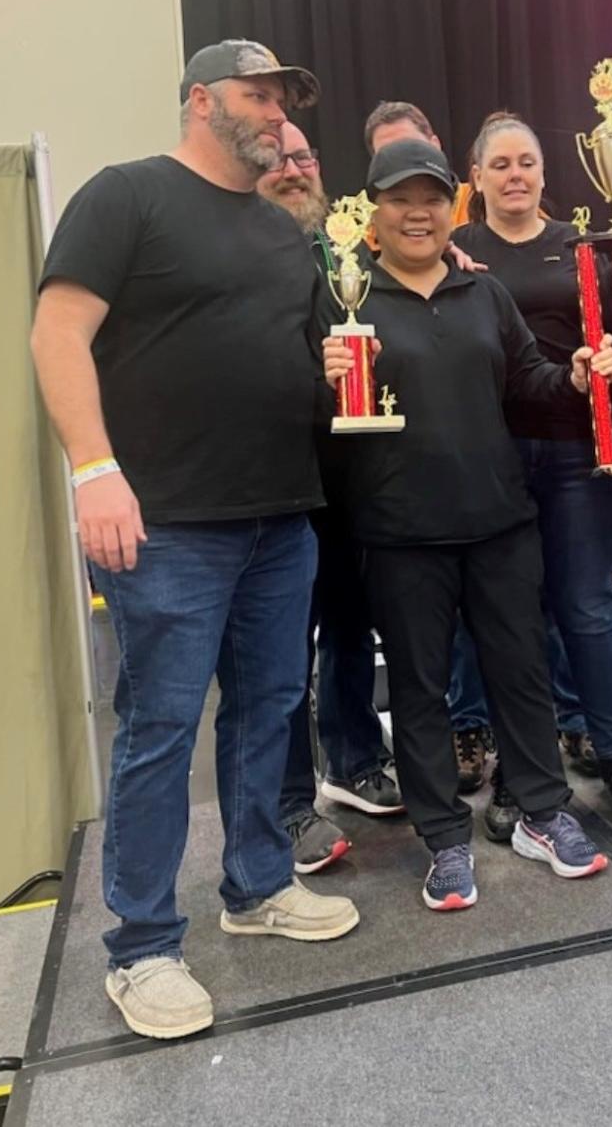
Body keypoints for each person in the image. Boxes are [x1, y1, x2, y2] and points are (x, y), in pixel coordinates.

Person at [30, 40, 359, 1041]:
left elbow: (282, 364)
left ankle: (257, 887)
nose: (273, 114)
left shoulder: (278, 231)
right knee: (160, 730)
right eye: (256, 95)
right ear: (200, 99)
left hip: (278, 516)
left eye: (284, 101)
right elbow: (56, 334)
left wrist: (342, 366)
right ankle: (140, 947)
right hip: (165, 523)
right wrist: (94, 469)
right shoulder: (126, 196)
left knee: (268, 710)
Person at [320, 138, 612, 911]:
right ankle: (445, 841)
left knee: (520, 674)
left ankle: (542, 814)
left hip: (499, 521)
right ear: (373, 216)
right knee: (419, 692)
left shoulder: (486, 296)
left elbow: (531, 385)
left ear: (453, 208)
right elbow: (319, 420)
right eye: (398, 200)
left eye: (430, 199)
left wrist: (575, 379)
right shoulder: (344, 299)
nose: (416, 214)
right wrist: (322, 384)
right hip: (399, 532)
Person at [451, 112, 612, 830]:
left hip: (577, 451)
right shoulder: (453, 251)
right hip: (494, 456)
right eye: (500, 164)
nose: (515, 176)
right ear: (475, 176)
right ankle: (525, 763)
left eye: (526, 163)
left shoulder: (579, 248)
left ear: (545, 173)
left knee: (587, 607)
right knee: (512, 620)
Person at [257, 124, 403, 878]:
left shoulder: (346, 249)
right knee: (280, 652)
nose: (292, 169)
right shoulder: (235, 251)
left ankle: (352, 761)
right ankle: (284, 804)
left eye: (305, 157)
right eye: (276, 158)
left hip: (349, 478)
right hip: (272, 481)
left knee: (350, 626)